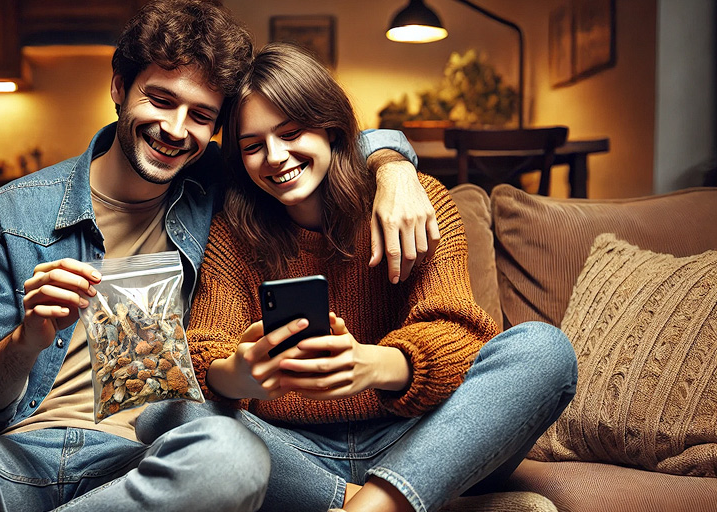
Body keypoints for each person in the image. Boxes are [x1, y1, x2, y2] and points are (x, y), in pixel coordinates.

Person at [0, 2, 439, 511]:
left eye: (201, 116)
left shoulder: (224, 187)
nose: (175, 130)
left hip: (151, 459)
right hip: (19, 454)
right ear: (119, 86)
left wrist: (393, 167)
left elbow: (322, 140)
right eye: (160, 100)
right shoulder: (11, 215)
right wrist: (28, 337)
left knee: (233, 455)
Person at [139, 42, 578, 512]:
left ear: (329, 127)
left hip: (421, 439)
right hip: (296, 451)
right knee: (162, 415)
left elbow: (461, 339)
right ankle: (389, 501)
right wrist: (238, 374)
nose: (275, 156)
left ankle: (383, 501)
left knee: (543, 350)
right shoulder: (232, 233)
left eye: (292, 133)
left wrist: (371, 365)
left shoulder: (413, 203)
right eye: (253, 146)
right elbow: (204, 348)